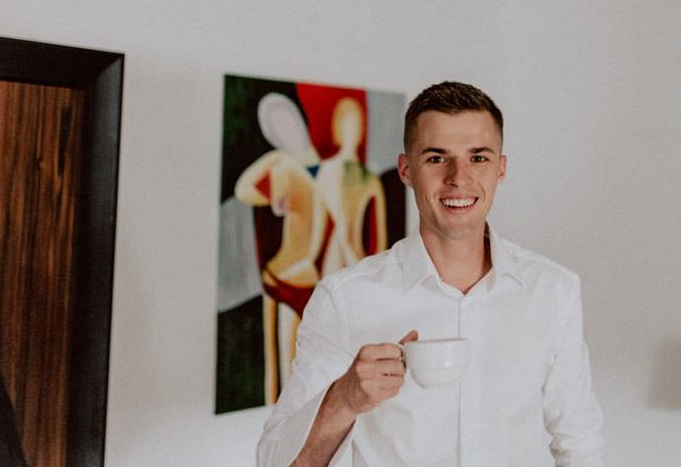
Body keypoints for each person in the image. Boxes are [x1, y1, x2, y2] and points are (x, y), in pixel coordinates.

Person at [257, 81, 604, 467]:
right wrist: (344, 399)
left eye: (479, 157)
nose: (459, 177)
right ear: (406, 170)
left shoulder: (553, 290)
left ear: (501, 169)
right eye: (437, 158)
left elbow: (580, 446)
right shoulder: (344, 299)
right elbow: (275, 463)